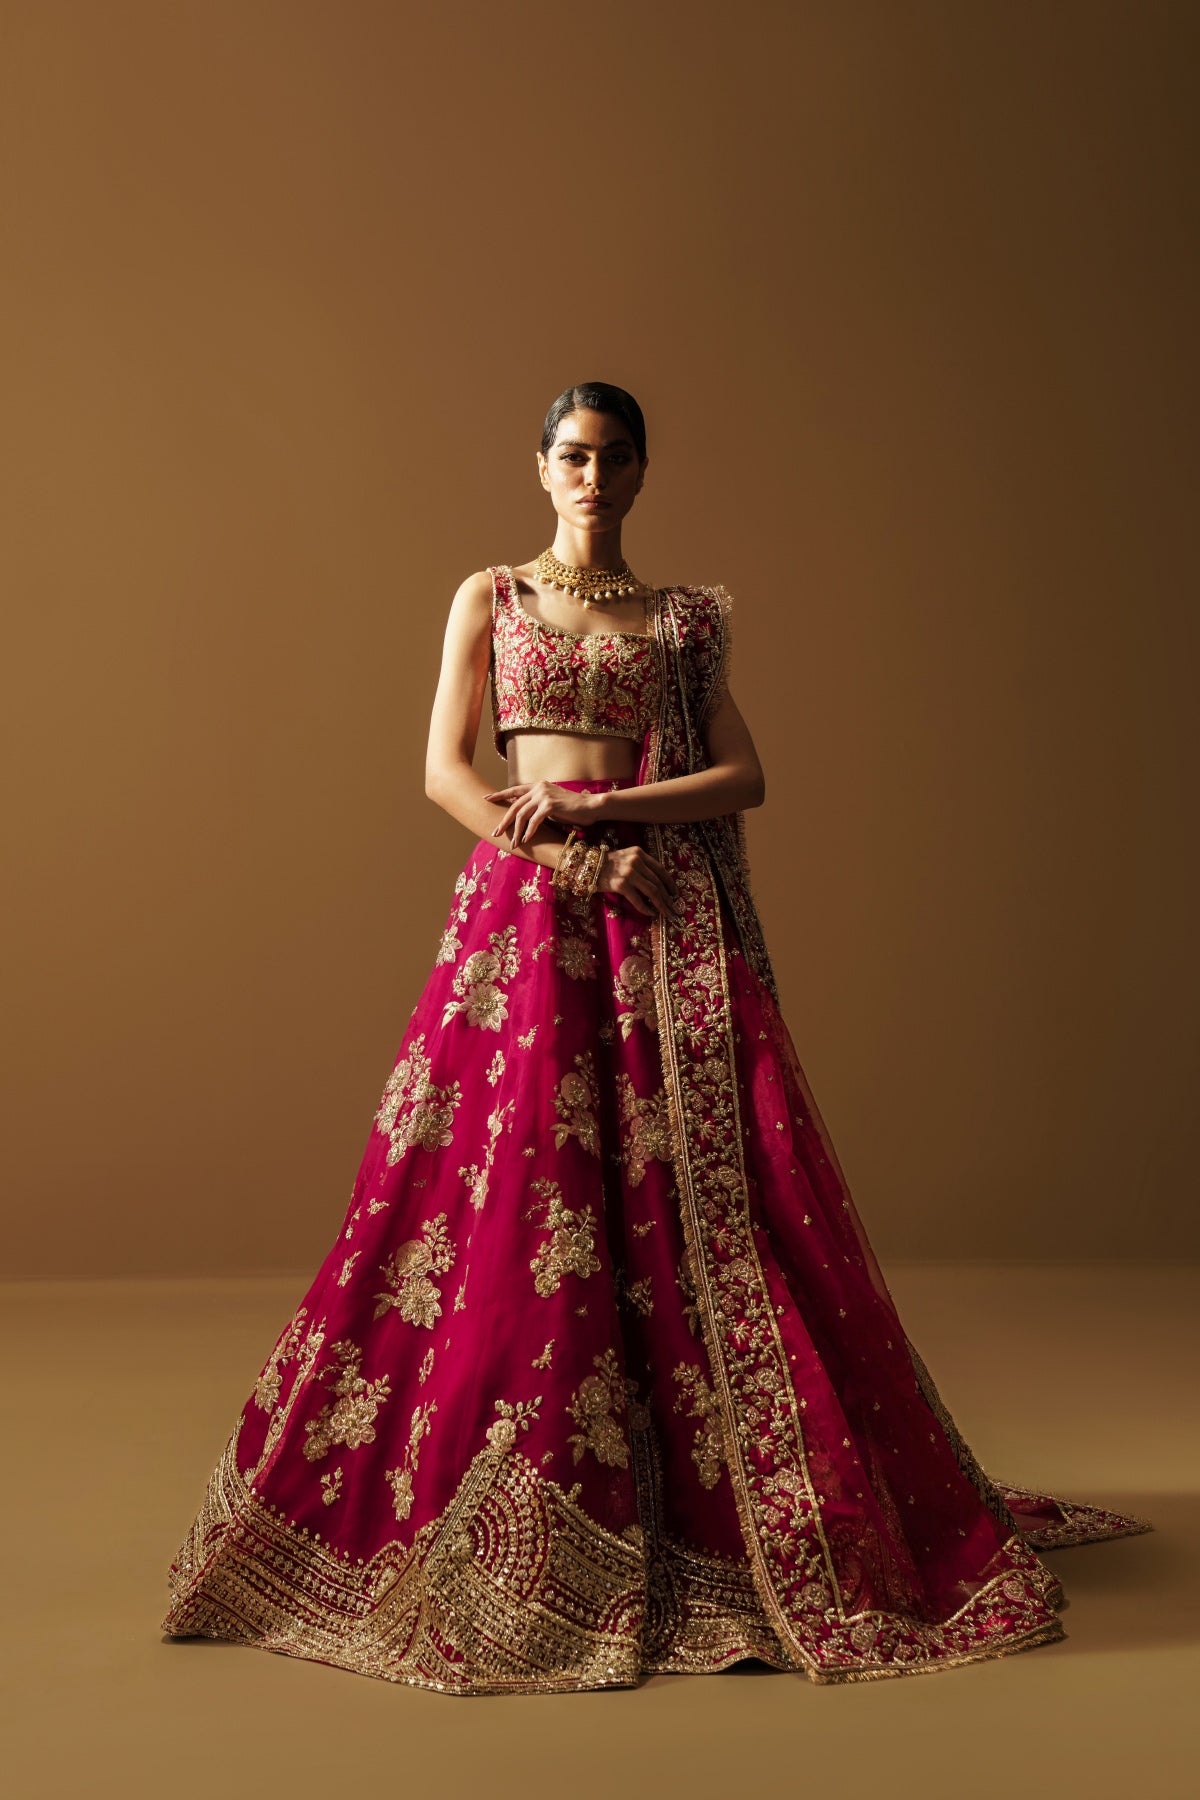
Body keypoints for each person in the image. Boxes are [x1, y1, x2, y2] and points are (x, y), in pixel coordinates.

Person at [160, 381, 1148, 1693]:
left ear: (639, 475)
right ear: (541, 464)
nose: (592, 476)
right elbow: (448, 769)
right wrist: (569, 852)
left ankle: (694, 1488)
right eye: (573, 454)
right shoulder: (491, 599)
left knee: (680, 1186)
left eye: (616, 458)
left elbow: (743, 774)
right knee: (503, 1192)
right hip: (526, 918)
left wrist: (614, 812)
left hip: (660, 918)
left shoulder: (683, 623)